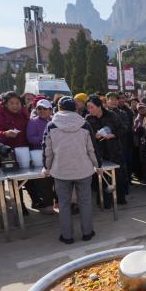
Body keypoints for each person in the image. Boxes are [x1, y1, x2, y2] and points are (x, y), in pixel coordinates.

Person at [43, 97, 102, 244]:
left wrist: (47, 167)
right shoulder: (84, 124)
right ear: (75, 109)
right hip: (83, 170)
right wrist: (98, 165)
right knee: (85, 202)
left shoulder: (51, 126)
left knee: (63, 204)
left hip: (61, 171)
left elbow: (47, 150)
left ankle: (67, 236)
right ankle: (87, 233)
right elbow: (92, 149)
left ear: (59, 108)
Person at [85, 96, 127, 207]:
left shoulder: (112, 115)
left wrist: (113, 135)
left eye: (92, 107)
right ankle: (105, 202)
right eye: (88, 108)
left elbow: (123, 129)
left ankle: (119, 199)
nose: (90, 110)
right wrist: (94, 136)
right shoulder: (88, 119)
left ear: (99, 106)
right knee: (101, 178)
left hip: (114, 150)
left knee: (118, 176)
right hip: (99, 152)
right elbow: (86, 136)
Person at [27, 99, 56, 214]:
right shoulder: (33, 122)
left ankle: (59, 202)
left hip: (55, 155)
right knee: (44, 181)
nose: (42, 111)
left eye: (45, 109)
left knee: (57, 180)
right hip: (39, 156)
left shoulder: (54, 120)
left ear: (50, 110)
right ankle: (48, 204)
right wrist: (46, 140)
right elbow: (31, 138)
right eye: (39, 108)